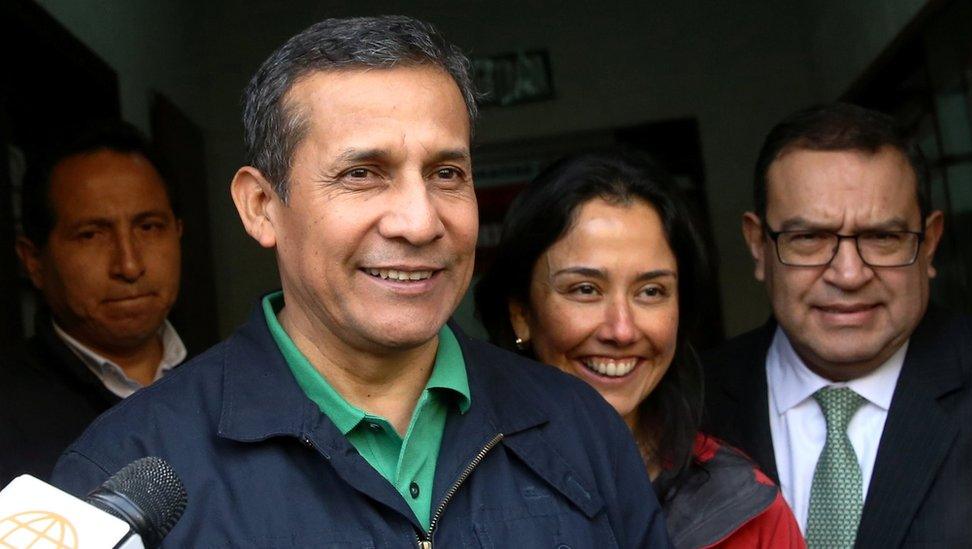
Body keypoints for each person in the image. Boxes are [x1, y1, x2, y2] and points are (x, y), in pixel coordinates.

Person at [49, 16, 669, 547]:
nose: (420, 221)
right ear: (261, 206)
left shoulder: (578, 430)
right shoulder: (130, 469)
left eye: (446, 173)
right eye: (363, 174)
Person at [476, 149, 804, 548]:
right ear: (522, 314)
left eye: (651, 291)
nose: (622, 329)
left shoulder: (747, 509)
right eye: (585, 289)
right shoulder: (455, 488)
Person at [703, 103, 972, 547]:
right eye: (809, 238)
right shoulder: (685, 406)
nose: (849, 275)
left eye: (883, 237)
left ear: (930, 244)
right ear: (757, 245)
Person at [0, 121, 185, 485]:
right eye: (91, 235)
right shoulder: (9, 411)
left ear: (178, 233)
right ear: (33, 260)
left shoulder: (231, 380)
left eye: (148, 227)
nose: (129, 265)